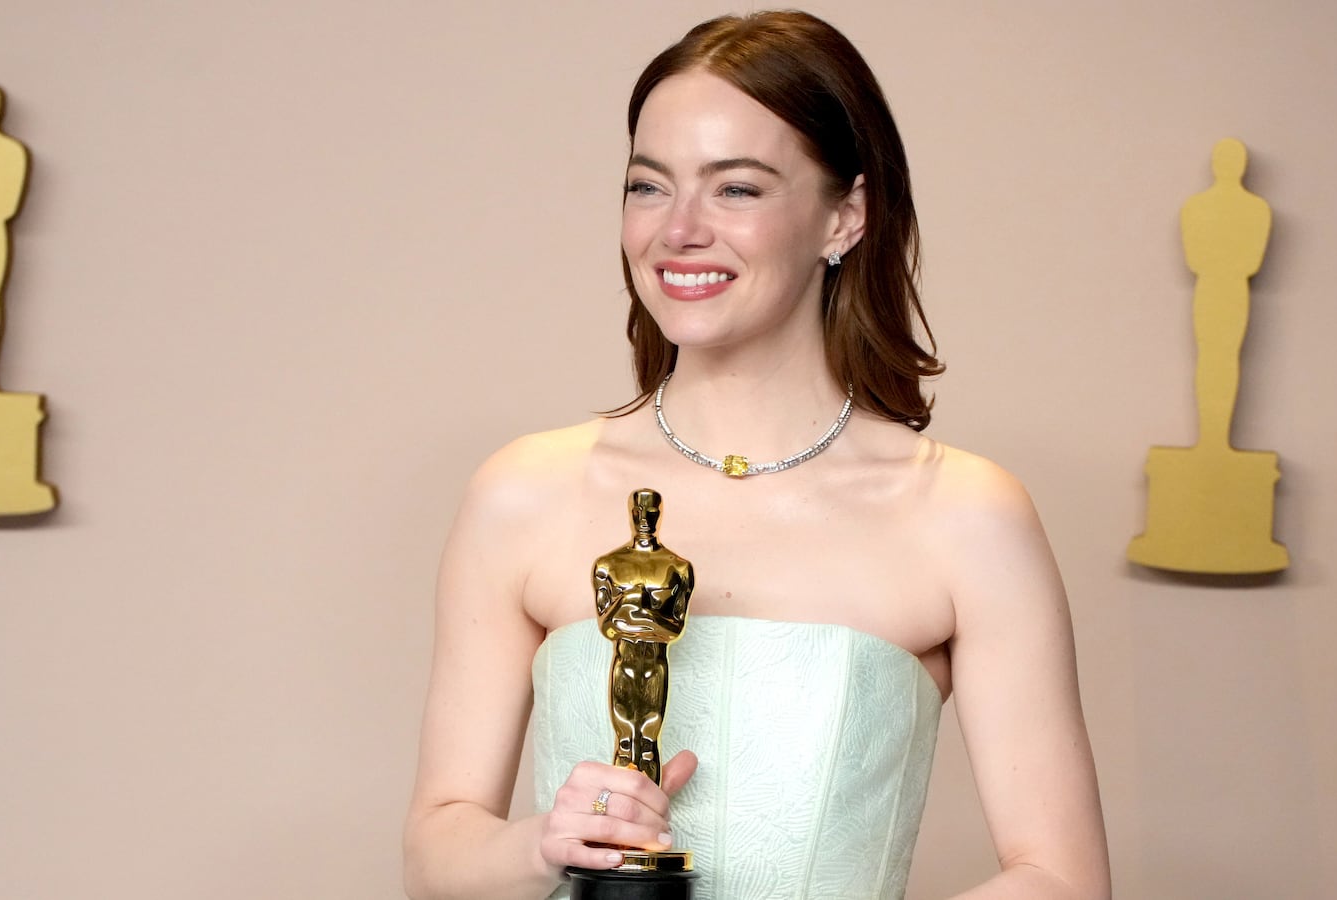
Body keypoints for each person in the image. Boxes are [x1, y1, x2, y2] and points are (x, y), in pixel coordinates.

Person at [403, 10, 1109, 899]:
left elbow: (1061, 878)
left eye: (736, 189)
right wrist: (546, 843)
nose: (679, 230)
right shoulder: (524, 492)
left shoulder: (964, 513)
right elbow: (436, 851)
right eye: (648, 186)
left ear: (844, 216)